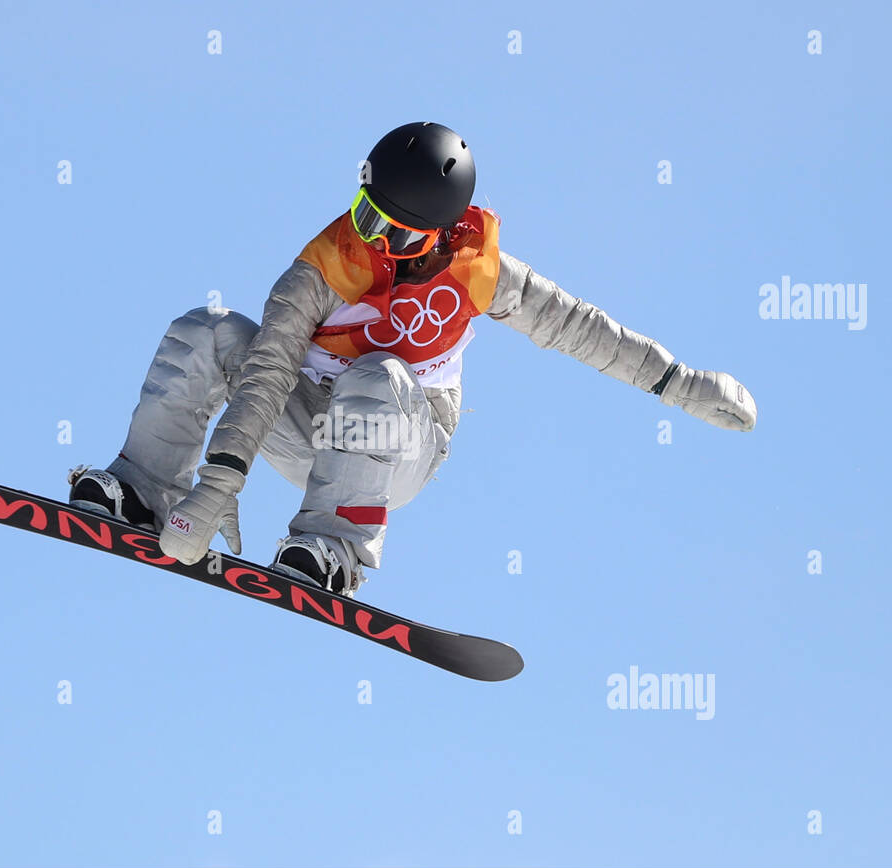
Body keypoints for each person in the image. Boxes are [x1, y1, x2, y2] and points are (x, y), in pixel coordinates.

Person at [67, 121, 756, 597]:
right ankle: (143, 486)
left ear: (434, 231)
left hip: (399, 446)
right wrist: (221, 480)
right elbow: (268, 369)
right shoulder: (326, 264)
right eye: (362, 210)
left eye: (384, 227)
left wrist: (680, 382)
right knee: (208, 329)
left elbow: (581, 329)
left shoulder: (480, 272)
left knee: (379, 373)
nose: (365, 234)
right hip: (306, 426)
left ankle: (333, 548)